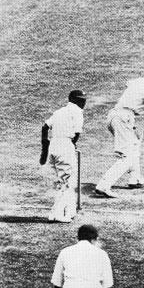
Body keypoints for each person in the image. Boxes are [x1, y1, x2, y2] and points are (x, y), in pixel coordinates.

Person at [95, 65, 144, 198]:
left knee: (135, 143)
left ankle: (135, 178)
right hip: (124, 118)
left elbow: (128, 83)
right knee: (127, 157)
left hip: (113, 116)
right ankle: (103, 186)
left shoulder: (139, 81)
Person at [40, 90, 87, 223]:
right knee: (67, 183)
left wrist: (45, 144)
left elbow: (45, 126)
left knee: (62, 181)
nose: (83, 102)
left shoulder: (59, 111)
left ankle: (69, 211)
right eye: (81, 99)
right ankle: (56, 214)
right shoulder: (77, 112)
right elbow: (76, 134)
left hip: (53, 146)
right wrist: (71, 145)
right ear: (74, 100)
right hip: (65, 146)